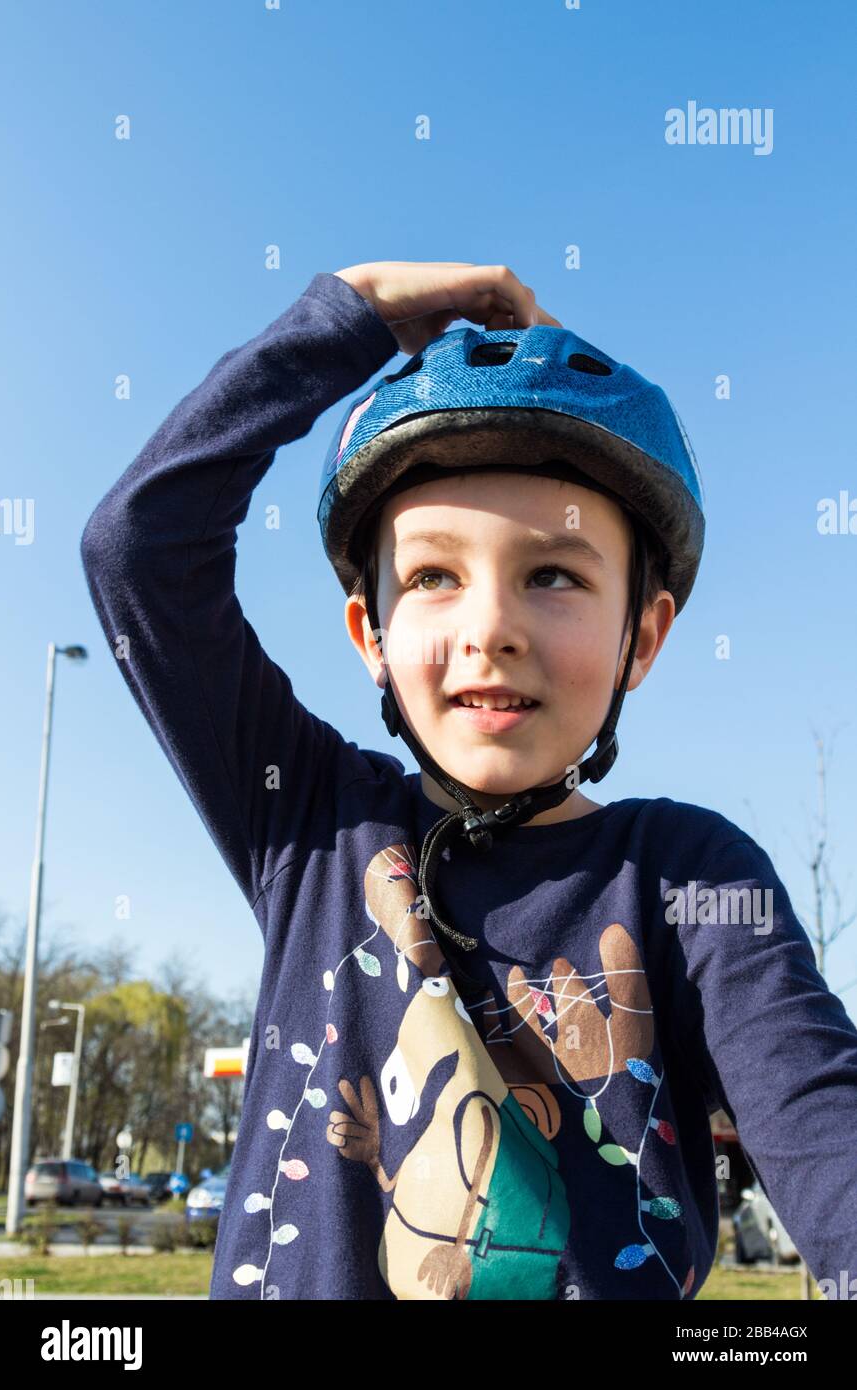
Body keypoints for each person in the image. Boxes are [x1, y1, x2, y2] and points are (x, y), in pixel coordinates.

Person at [80, 261, 857, 1301]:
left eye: (554, 574)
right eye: (432, 576)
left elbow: (821, 1126)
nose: (489, 627)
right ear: (370, 634)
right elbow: (136, 547)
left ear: (644, 635)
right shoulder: (312, 822)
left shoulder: (686, 875)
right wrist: (352, 313)